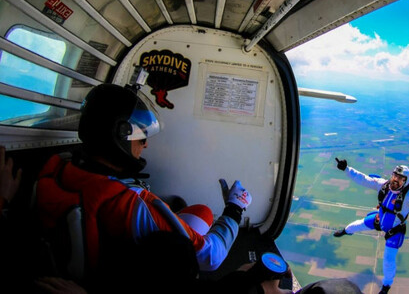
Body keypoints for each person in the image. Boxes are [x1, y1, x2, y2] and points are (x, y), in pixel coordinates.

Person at [34, 83, 252, 290]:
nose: (145, 143)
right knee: (202, 218)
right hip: (118, 280)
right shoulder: (131, 203)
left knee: (202, 212)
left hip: (75, 272)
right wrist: (234, 208)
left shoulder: (56, 168)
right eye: (139, 133)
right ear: (119, 135)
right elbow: (211, 257)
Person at [331, 157, 409, 294]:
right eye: (395, 175)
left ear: (405, 181)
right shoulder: (383, 184)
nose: (396, 180)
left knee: (388, 260)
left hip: (395, 229)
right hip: (381, 219)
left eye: (400, 178)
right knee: (359, 224)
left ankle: (386, 286)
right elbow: (363, 179)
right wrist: (347, 169)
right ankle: (345, 231)